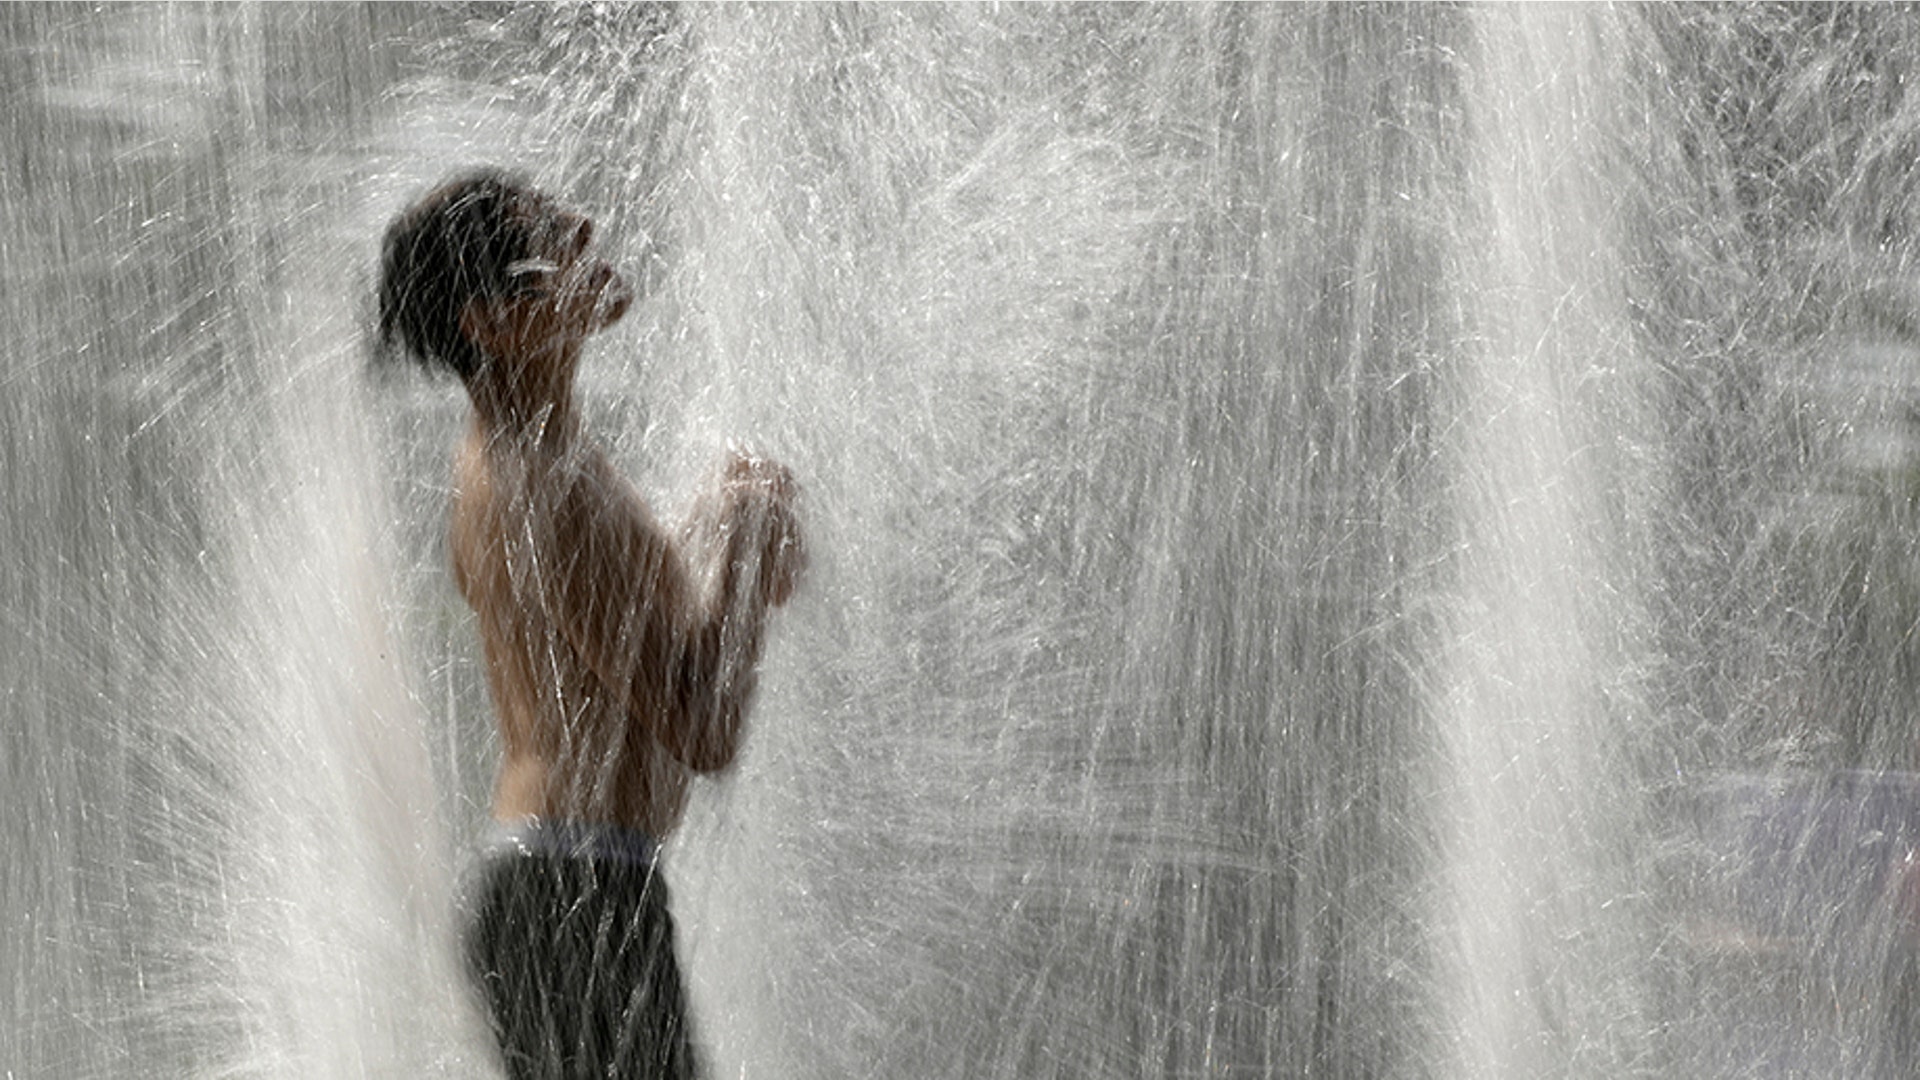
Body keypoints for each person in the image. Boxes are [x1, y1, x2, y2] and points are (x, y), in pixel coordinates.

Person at [377, 168, 805, 1079]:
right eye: (548, 239)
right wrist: (744, 562)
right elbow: (702, 729)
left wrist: (722, 521)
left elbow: (610, 636)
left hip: (563, 893)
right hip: (577, 896)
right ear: (487, 321)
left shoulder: (532, 453)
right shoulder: (543, 490)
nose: (584, 228)